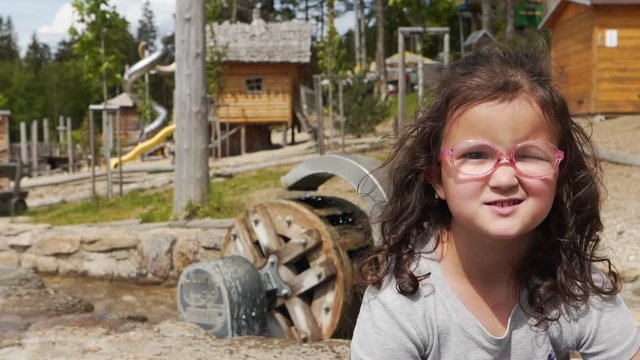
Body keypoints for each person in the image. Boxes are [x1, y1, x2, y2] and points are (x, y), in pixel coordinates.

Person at [350, 39, 640, 360]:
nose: (505, 179)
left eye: (530, 155)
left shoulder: (573, 280)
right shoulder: (402, 300)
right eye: (475, 154)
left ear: (560, 173)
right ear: (436, 179)